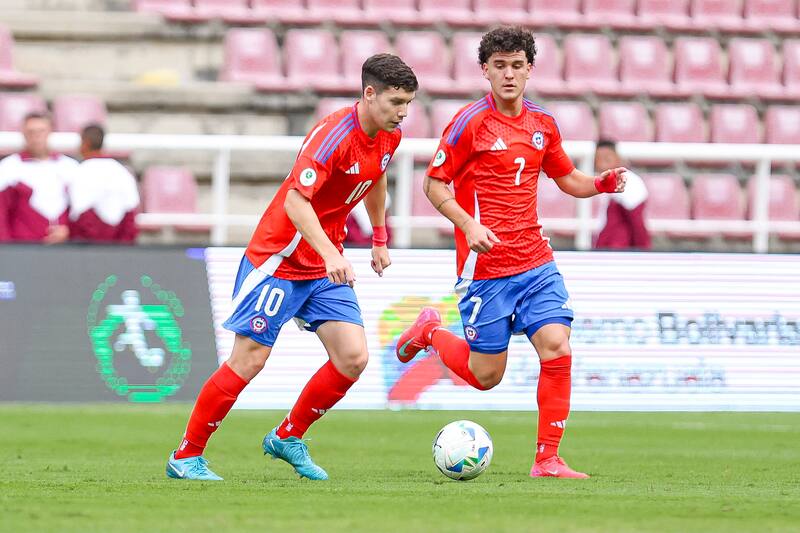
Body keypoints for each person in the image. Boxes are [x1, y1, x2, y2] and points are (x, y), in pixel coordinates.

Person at [166, 54, 418, 481]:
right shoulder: (332, 136)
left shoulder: (389, 137)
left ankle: (287, 436)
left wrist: (379, 236)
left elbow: (376, 178)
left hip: (323, 263)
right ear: (369, 93)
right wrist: (333, 254)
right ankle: (186, 455)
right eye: (396, 102)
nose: (404, 112)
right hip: (278, 260)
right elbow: (295, 202)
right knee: (248, 361)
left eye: (409, 103)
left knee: (353, 357)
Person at [396, 27, 626, 479]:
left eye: (516, 65)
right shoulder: (469, 123)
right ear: (485, 70)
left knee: (557, 347)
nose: (508, 74)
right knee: (486, 376)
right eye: (499, 65)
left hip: (536, 262)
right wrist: (468, 224)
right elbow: (433, 184)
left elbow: (568, 179)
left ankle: (548, 459)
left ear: (529, 70)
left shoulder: (542, 124)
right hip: (486, 268)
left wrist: (599, 184)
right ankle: (429, 333)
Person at [0, 112, 78, 243]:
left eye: (41, 131)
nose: (36, 136)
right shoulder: (9, 167)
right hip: (24, 249)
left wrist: (70, 230)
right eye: (31, 132)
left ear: (50, 132)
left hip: (64, 249)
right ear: (23, 134)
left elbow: (80, 210)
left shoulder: (69, 166)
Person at [67, 124, 140, 243]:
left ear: (86, 143)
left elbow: (80, 214)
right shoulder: (122, 171)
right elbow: (130, 213)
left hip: (88, 247)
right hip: (119, 244)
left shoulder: (81, 172)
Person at [593, 139, 650, 250]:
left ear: (618, 158)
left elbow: (637, 222)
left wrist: (643, 252)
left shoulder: (629, 183)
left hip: (619, 252)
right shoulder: (601, 182)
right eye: (598, 159)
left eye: (607, 158)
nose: (602, 163)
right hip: (608, 250)